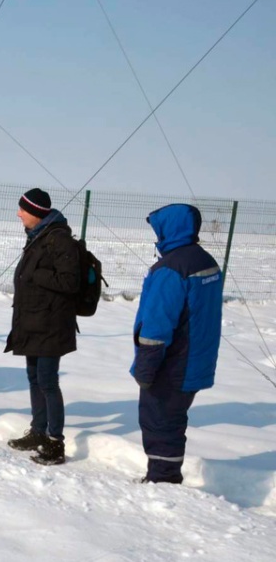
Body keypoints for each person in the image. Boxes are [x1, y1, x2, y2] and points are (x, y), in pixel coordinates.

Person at [132, 203, 223, 485]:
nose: (156, 235)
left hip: (172, 363)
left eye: (158, 229)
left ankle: (163, 481)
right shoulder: (204, 260)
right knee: (172, 420)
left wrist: (145, 369)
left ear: (169, 229)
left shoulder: (170, 269)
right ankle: (165, 475)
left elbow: (156, 327)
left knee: (159, 421)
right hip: (196, 358)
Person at [5, 188, 80, 465]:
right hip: (33, 322)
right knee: (34, 378)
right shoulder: (37, 236)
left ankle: (55, 442)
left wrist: (36, 274)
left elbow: (69, 282)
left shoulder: (59, 240)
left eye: (23, 210)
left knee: (48, 382)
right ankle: (38, 431)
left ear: (36, 213)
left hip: (51, 324)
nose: (18, 214)